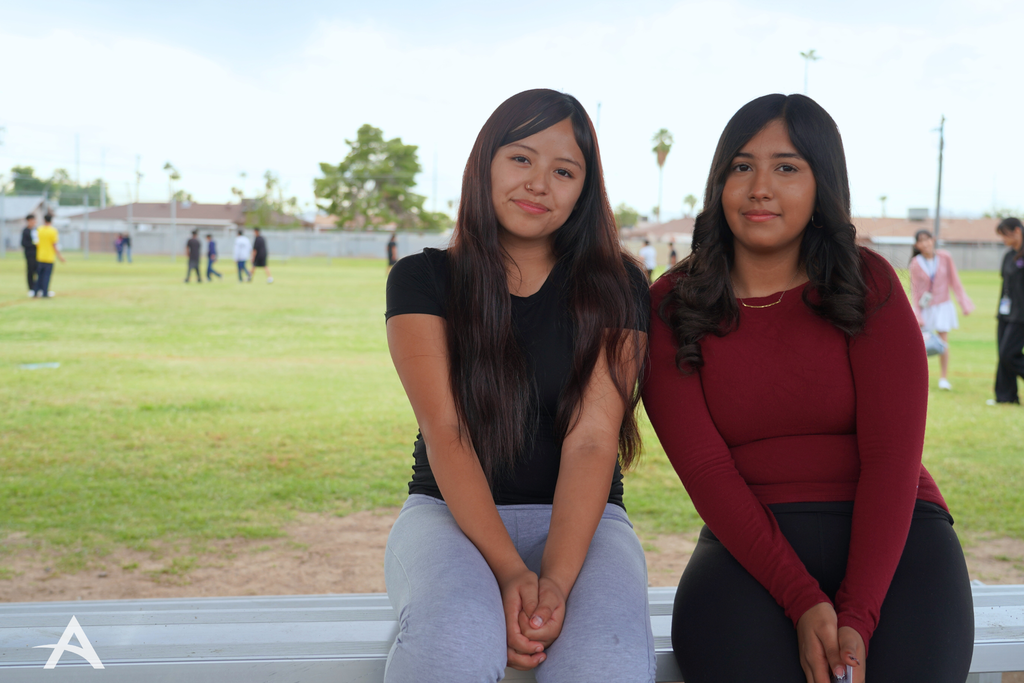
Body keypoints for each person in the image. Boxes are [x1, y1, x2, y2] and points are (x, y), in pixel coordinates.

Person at [643, 94, 973, 683]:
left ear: (822, 183)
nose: (760, 187)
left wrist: (858, 613)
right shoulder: (673, 302)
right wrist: (802, 599)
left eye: (787, 167)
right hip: (750, 547)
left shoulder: (865, 281)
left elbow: (892, 459)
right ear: (720, 182)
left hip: (894, 537)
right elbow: (706, 470)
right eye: (741, 166)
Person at [383, 89, 655, 683]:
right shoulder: (422, 279)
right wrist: (509, 573)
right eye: (521, 159)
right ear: (484, 165)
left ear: (585, 191)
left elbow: (592, 440)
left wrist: (553, 581)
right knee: (456, 639)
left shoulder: (621, 286)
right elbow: (447, 432)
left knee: (607, 659)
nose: (539, 183)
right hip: (446, 514)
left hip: (585, 521)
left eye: (564, 170)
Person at [909, 229, 974, 390]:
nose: (925, 243)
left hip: (943, 305)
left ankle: (943, 378)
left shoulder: (945, 257)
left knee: (943, 343)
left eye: (927, 239)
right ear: (917, 244)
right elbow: (914, 291)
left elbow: (955, 282)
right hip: (925, 308)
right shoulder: (916, 263)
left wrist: (964, 304)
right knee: (922, 345)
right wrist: (917, 314)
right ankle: (919, 378)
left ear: (933, 240)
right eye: (921, 241)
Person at [992, 217, 1024, 404]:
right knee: (1002, 354)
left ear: (1017, 232)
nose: (1002, 239)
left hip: (1021, 315)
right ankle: (1006, 396)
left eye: (1005, 234)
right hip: (1005, 312)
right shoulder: (1008, 256)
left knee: (1008, 354)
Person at [33, 214, 65, 298]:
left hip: (40, 256)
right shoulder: (53, 231)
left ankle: (35, 292)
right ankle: (44, 293)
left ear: (44, 220)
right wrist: (60, 256)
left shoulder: (39, 229)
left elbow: (36, 242)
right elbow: (54, 244)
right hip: (49, 257)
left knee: (39, 275)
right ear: (51, 220)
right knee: (46, 276)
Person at [21, 213, 38, 296]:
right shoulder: (26, 231)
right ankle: (31, 289)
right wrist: (33, 244)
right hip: (30, 254)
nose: (34, 222)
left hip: (38, 254)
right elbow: (23, 243)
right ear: (28, 221)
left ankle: (38, 288)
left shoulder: (36, 230)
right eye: (32, 220)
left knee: (38, 271)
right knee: (30, 271)